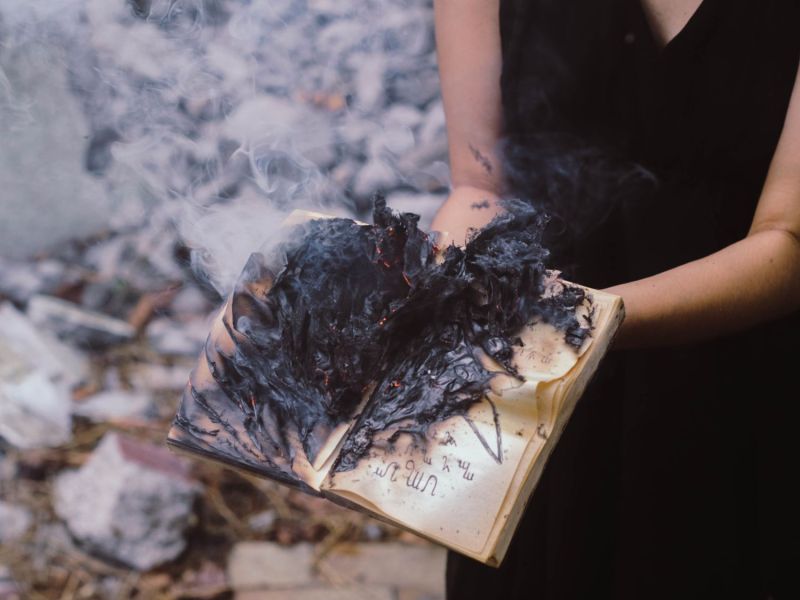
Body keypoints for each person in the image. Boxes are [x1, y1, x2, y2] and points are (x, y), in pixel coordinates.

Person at [430, 1, 800, 598]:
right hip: (534, 397)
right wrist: (432, 299)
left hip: (741, 394)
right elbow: (480, 185)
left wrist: (572, 322)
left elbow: (787, 241)